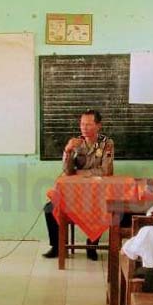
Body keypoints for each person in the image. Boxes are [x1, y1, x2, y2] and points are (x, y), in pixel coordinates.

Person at [43, 109, 114, 260]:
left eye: (88, 124)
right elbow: (68, 171)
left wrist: (82, 173)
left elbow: (106, 170)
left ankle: (91, 245)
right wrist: (67, 151)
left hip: (97, 194)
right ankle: (56, 246)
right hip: (75, 194)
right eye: (82, 124)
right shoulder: (76, 143)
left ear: (98, 125)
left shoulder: (106, 143)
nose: (84, 128)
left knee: (104, 209)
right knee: (50, 209)